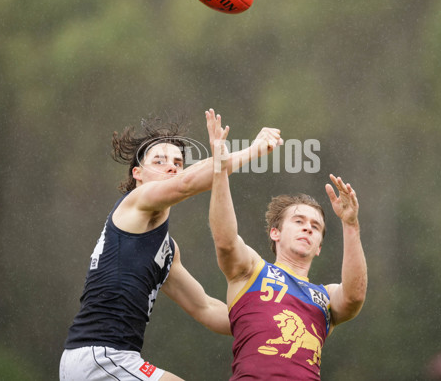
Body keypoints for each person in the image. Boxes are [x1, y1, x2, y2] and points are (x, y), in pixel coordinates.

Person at [60, 109, 282, 381]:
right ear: (137, 173)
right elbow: (186, 183)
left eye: (178, 162)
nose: (172, 167)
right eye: (160, 160)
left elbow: (206, 308)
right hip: (100, 356)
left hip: (108, 360)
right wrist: (253, 150)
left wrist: (267, 320)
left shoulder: (167, 251)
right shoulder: (136, 203)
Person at [207, 114, 367, 380]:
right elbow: (225, 240)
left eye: (315, 227)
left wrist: (350, 224)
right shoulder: (252, 272)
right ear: (275, 233)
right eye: (299, 221)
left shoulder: (324, 297)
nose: (308, 228)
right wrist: (220, 170)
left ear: (318, 247)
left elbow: (354, 296)